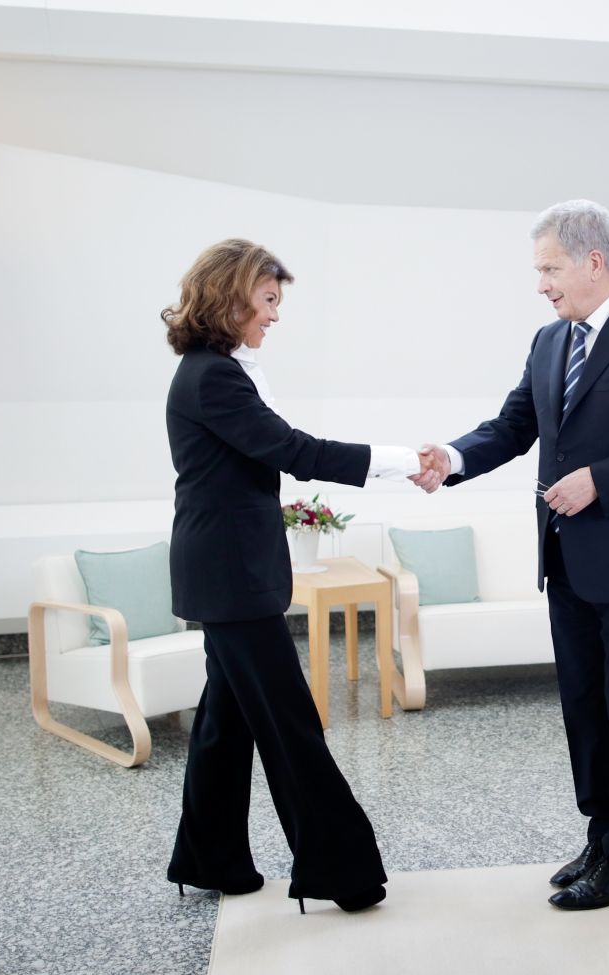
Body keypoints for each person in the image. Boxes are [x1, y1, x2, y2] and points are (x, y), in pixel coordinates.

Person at [415, 200, 609, 910]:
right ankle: (601, 833)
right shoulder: (551, 341)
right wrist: (450, 458)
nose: (541, 283)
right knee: (585, 708)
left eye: (549, 268)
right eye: (539, 270)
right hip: (569, 560)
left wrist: (599, 482)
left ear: (593, 262)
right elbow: (516, 424)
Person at [162, 238, 420, 915]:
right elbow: (292, 449)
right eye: (268, 301)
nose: (274, 316)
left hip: (224, 572)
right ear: (232, 297)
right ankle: (343, 873)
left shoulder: (212, 370)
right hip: (230, 577)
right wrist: (397, 459)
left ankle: (209, 857)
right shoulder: (213, 376)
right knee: (289, 722)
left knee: (227, 720)